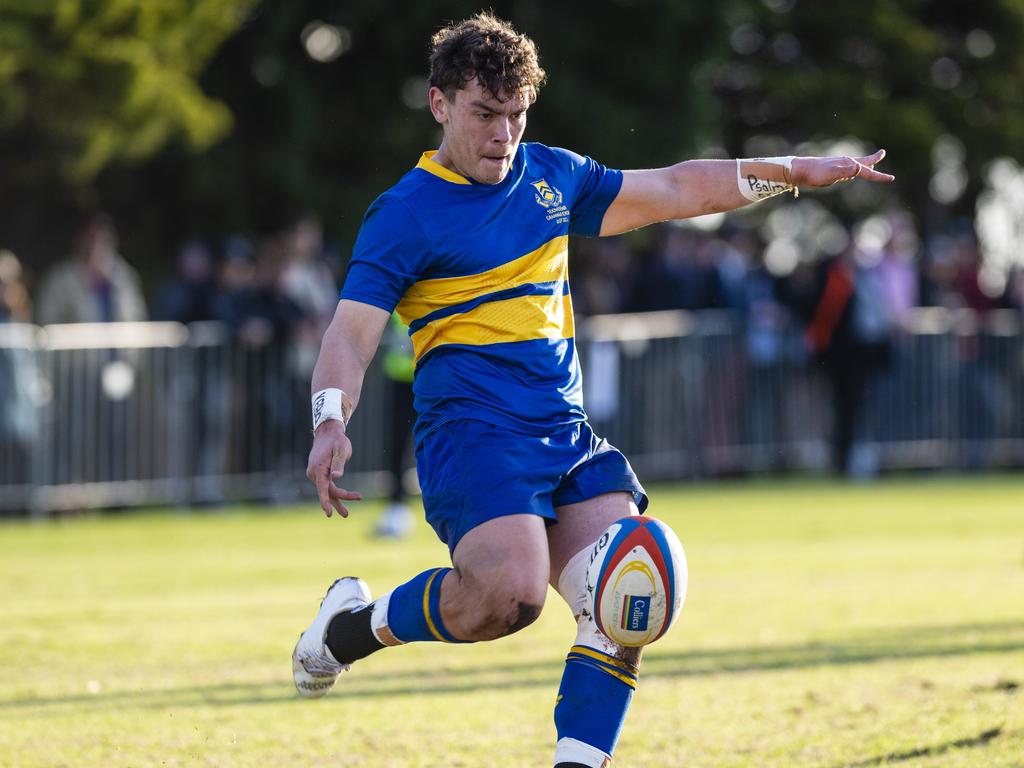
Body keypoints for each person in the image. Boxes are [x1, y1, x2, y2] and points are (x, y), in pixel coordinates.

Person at [295, 13, 893, 768]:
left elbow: (677, 187)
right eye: (484, 115)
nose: (503, 135)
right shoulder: (404, 213)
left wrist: (792, 170)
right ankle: (351, 626)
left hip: (564, 433)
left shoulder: (551, 176)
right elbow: (350, 335)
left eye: (516, 116)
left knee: (628, 593)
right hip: (472, 435)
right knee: (509, 599)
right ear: (440, 104)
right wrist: (329, 420)